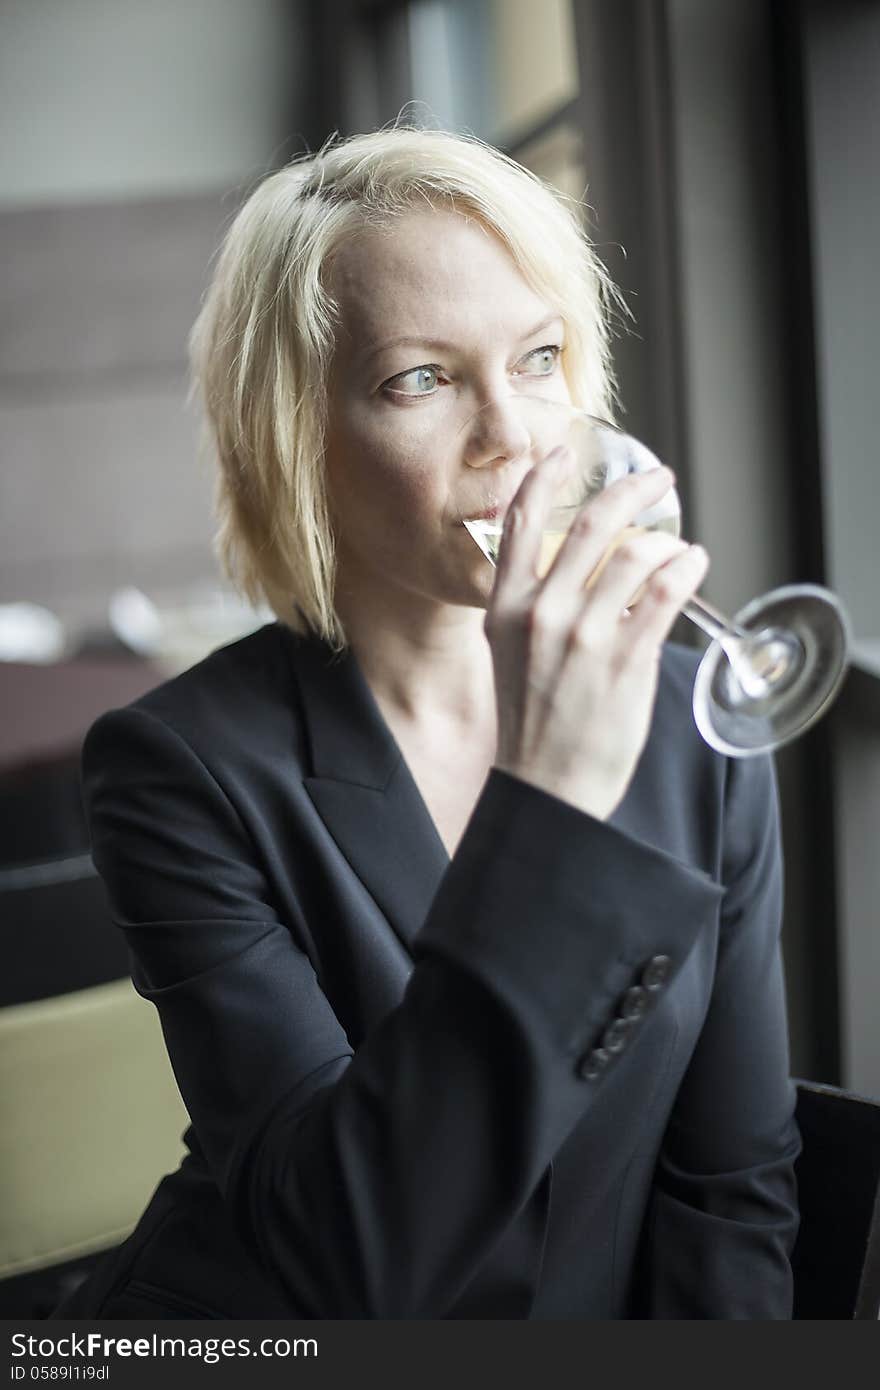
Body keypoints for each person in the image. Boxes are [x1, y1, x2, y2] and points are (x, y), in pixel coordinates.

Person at [50, 126, 800, 1320]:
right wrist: (550, 805)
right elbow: (361, 1259)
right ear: (303, 435)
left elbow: (731, 1187)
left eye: (540, 357)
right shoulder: (180, 769)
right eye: (422, 378)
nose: (514, 436)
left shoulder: (690, 726)